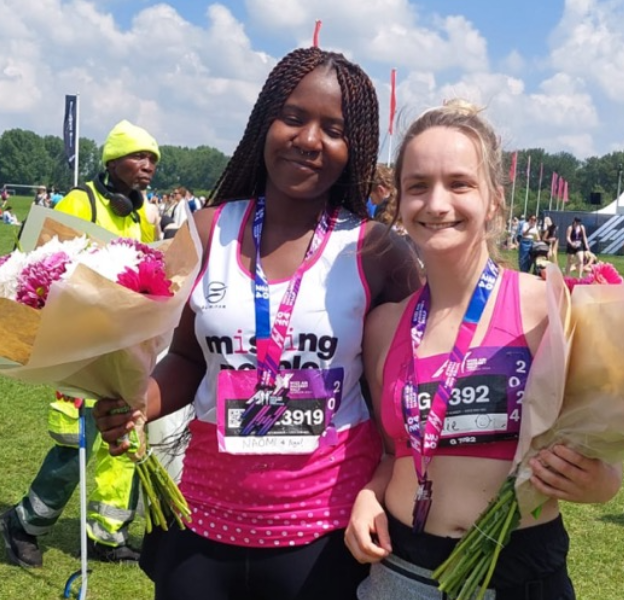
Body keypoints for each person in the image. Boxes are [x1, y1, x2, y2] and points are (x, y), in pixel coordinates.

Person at [92, 46, 421, 600]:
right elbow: (190, 359)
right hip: (202, 522)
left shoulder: (374, 251)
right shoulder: (203, 232)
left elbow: (411, 378)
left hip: (325, 533)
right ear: (264, 121)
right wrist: (136, 406)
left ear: (354, 147)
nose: (310, 140)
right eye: (293, 117)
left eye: (333, 129)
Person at [345, 100, 621, 599]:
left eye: (459, 184)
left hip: (516, 568)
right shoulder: (384, 326)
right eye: (418, 186)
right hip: (402, 568)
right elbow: (393, 452)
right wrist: (368, 494)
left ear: (493, 199)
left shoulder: (550, 309)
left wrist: (598, 482)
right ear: (400, 202)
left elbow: (607, 463)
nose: (436, 203)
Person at [0, 120, 164, 568]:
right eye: (139, 157)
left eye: (153, 159)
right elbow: (36, 256)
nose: (147, 166)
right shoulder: (81, 200)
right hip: (78, 346)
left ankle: (108, 533)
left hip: (124, 347)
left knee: (126, 441)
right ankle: (24, 524)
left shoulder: (143, 213)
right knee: (76, 445)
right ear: (113, 161)